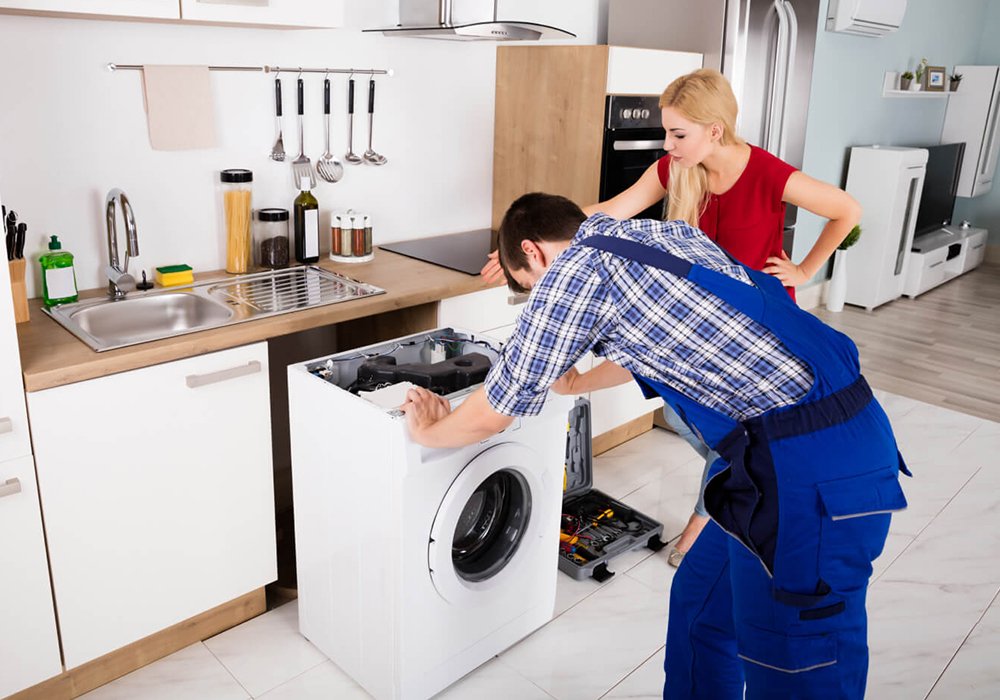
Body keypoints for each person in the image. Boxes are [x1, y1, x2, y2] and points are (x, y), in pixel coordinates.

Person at [405, 192, 908, 699]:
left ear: (532, 252)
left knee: (796, 660)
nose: (540, 295)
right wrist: (577, 383)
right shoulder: (658, 234)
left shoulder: (571, 275)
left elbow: (495, 410)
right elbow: (662, 336)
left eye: (530, 284)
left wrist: (427, 432)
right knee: (700, 608)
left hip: (810, 476)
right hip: (798, 449)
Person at [481, 68, 861, 566]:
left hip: (751, 331)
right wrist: (524, 241)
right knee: (708, 432)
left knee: (734, 440)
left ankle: (710, 524)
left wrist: (805, 270)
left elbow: (846, 210)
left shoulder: (768, 174)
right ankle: (738, 503)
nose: (667, 144)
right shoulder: (675, 168)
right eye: (667, 132)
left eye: (678, 134)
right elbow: (608, 211)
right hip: (691, 330)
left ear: (715, 130)